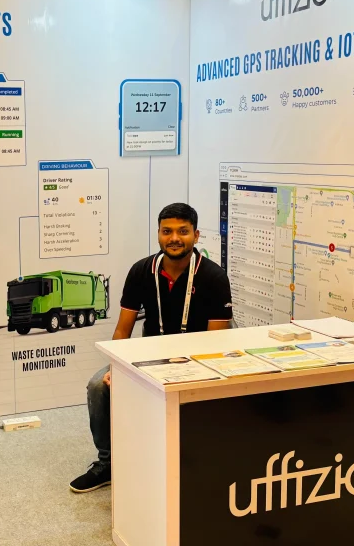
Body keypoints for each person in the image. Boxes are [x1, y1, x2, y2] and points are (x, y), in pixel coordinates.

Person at [69, 202, 233, 493]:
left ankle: (192, 460)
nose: (174, 238)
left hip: (196, 360)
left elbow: (216, 343)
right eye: (167, 231)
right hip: (150, 357)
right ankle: (108, 464)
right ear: (158, 234)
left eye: (183, 231)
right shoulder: (142, 270)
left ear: (196, 236)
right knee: (98, 386)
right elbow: (123, 329)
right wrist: (117, 368)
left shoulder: (214, 277)